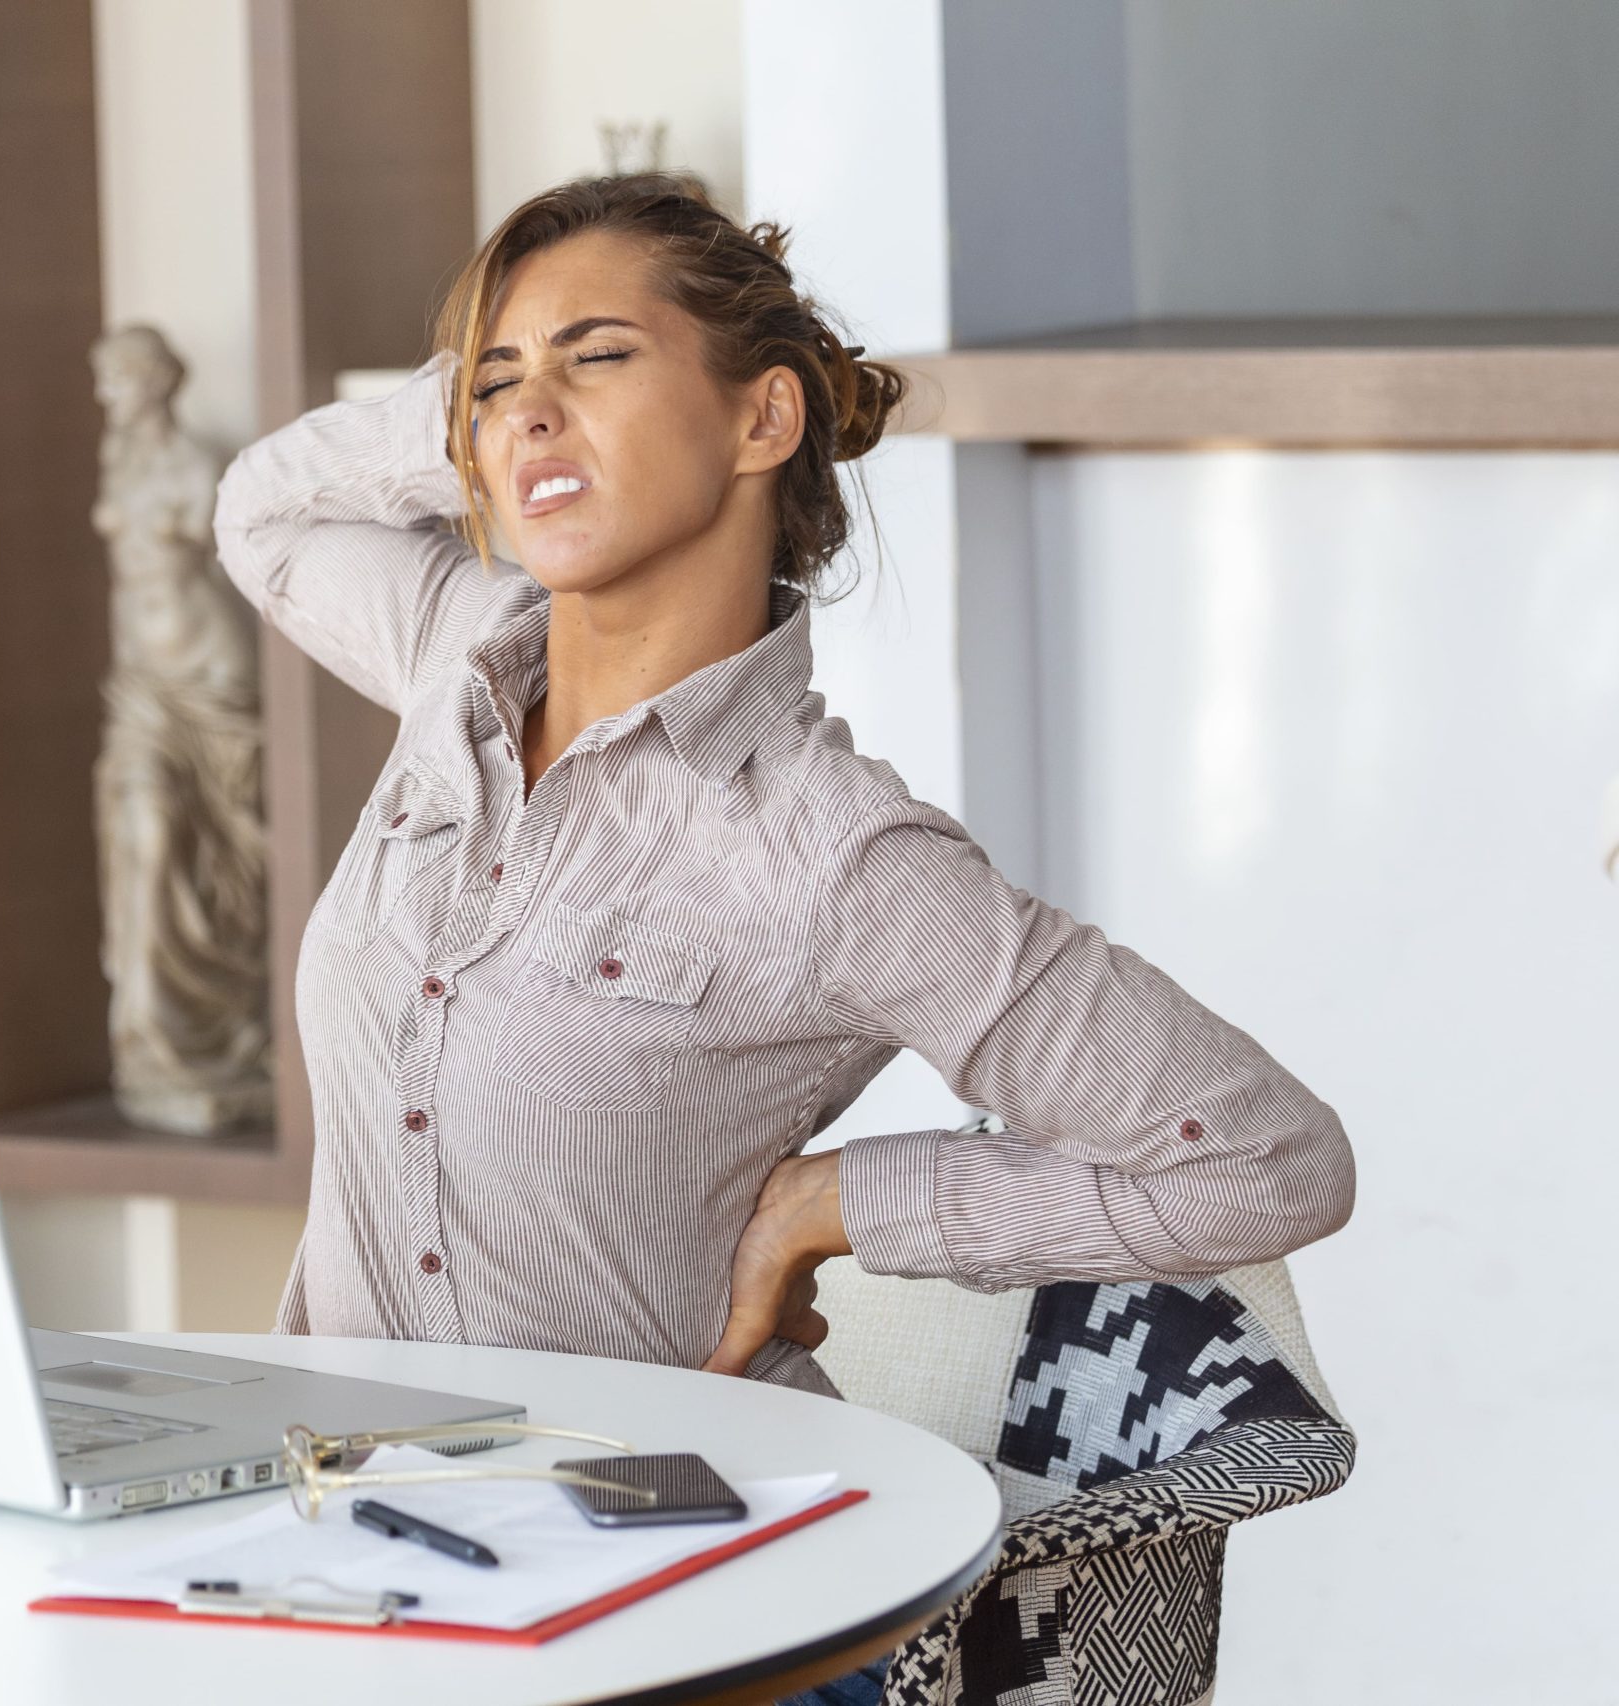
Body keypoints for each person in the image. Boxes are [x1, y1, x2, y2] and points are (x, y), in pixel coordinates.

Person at [211, 174, 1355, 1699]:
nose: (530, 412)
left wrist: (841, 1198)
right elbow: (262, 507)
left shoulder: (838, 858)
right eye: (499, 384)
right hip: (349, 1555)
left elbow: (1271, 1159)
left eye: (597, 358)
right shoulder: (450, 661)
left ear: (762, 421)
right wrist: (478, 393)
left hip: (662, 1616)